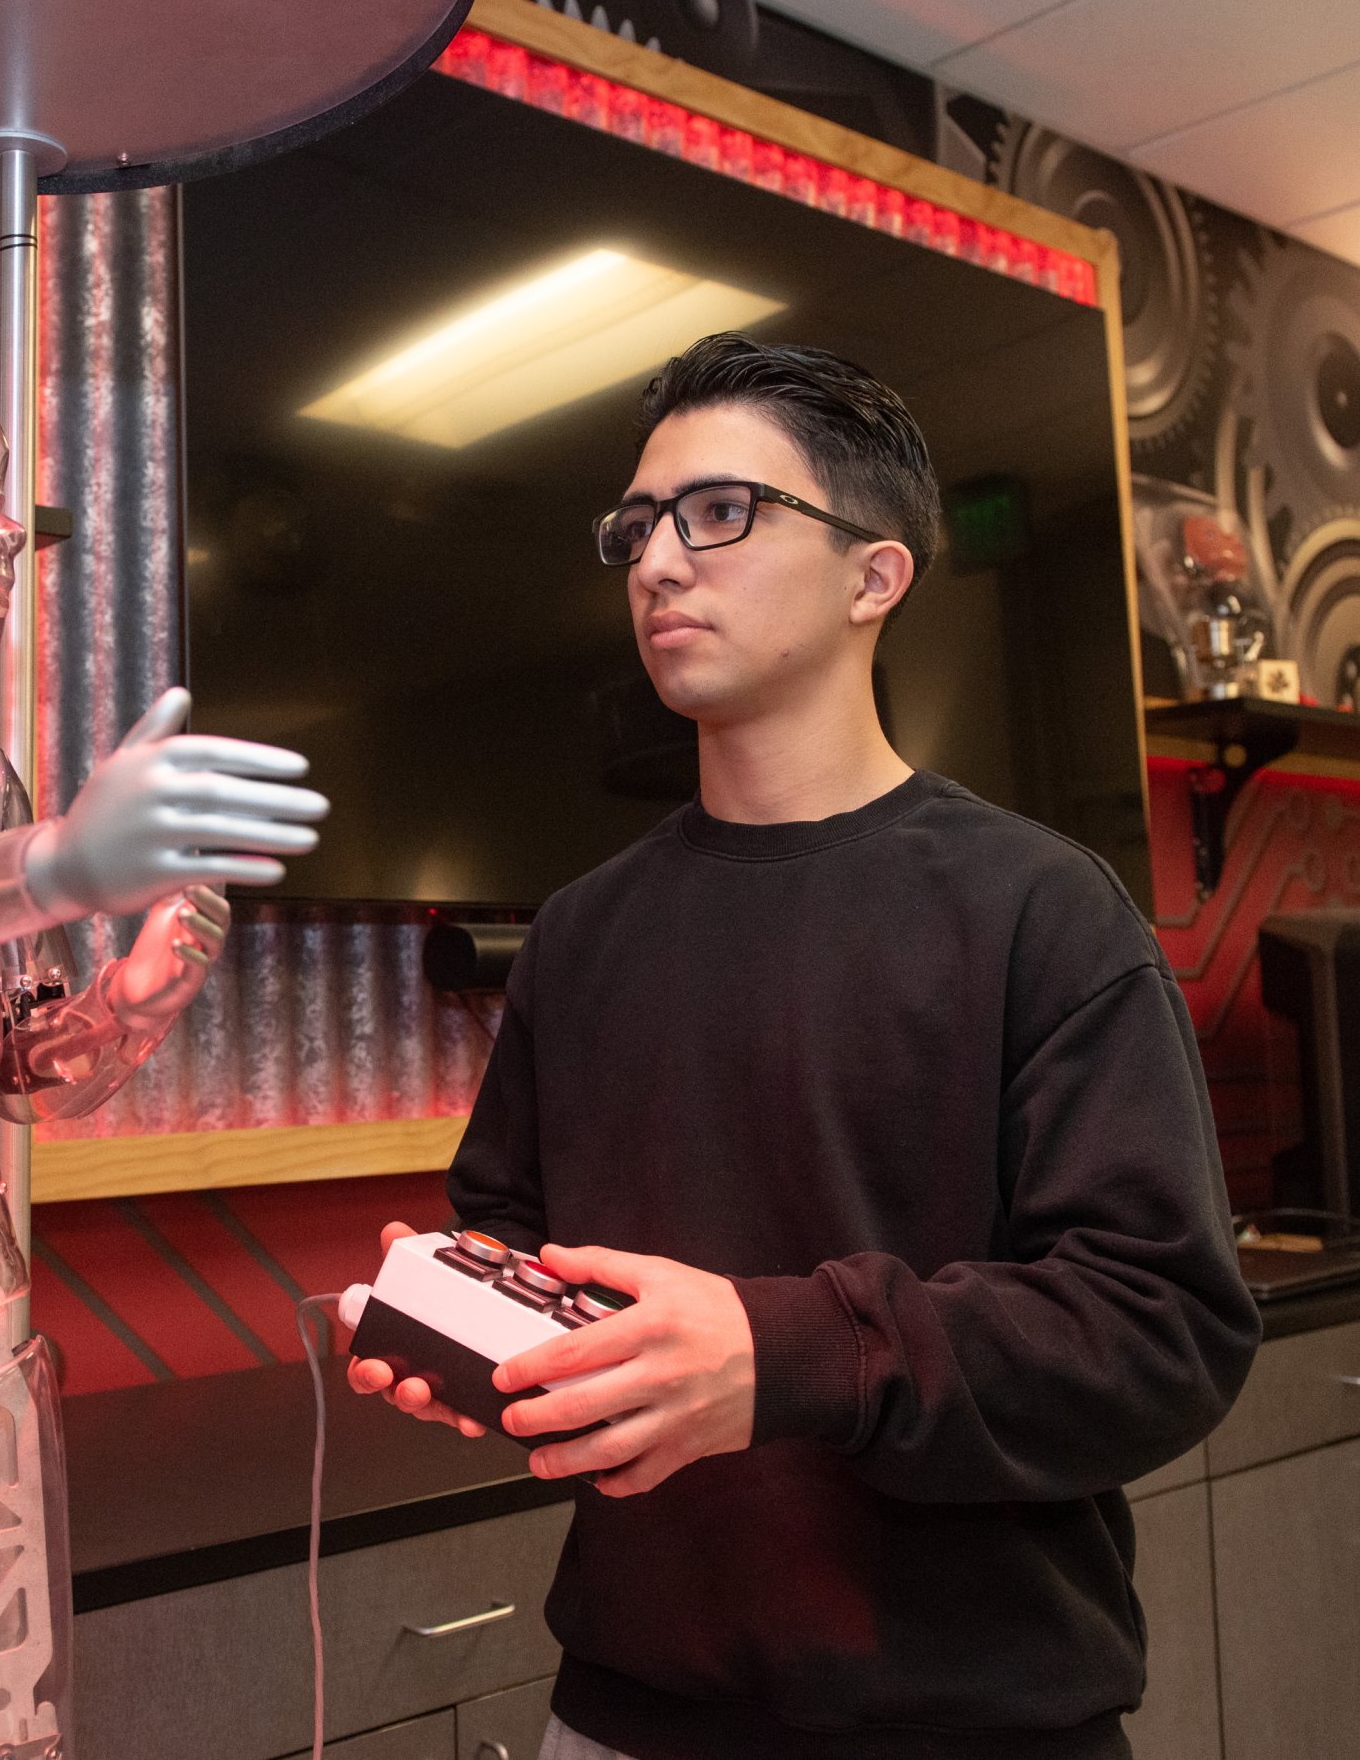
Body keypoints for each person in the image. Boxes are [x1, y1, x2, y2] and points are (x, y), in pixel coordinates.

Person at [350, 333, 1260, 1760]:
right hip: (626, 1712)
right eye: (636, 526)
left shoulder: (1041, 910)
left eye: (719, 514)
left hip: (968, 1719)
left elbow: (1160, 1330)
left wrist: (779, 1356)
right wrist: (471, 1336)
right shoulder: (579, 936)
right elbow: (512, 1230)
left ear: (872, 575)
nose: (657, 562)